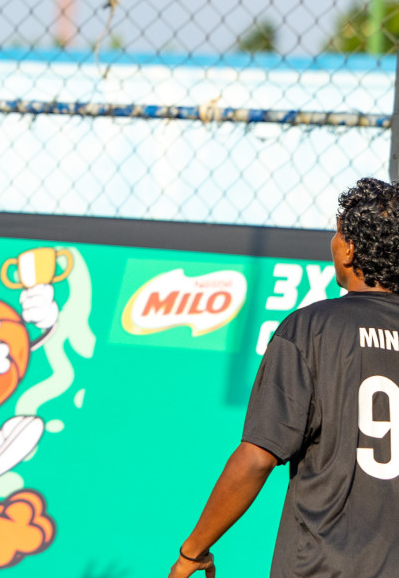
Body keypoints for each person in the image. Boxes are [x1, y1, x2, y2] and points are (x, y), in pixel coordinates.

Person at [168, 176, 399, 578]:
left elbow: (258, 456)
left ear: (351, 250)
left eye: (338, 232)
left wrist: (193, 551)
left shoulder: (311, 329)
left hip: (322, 565)